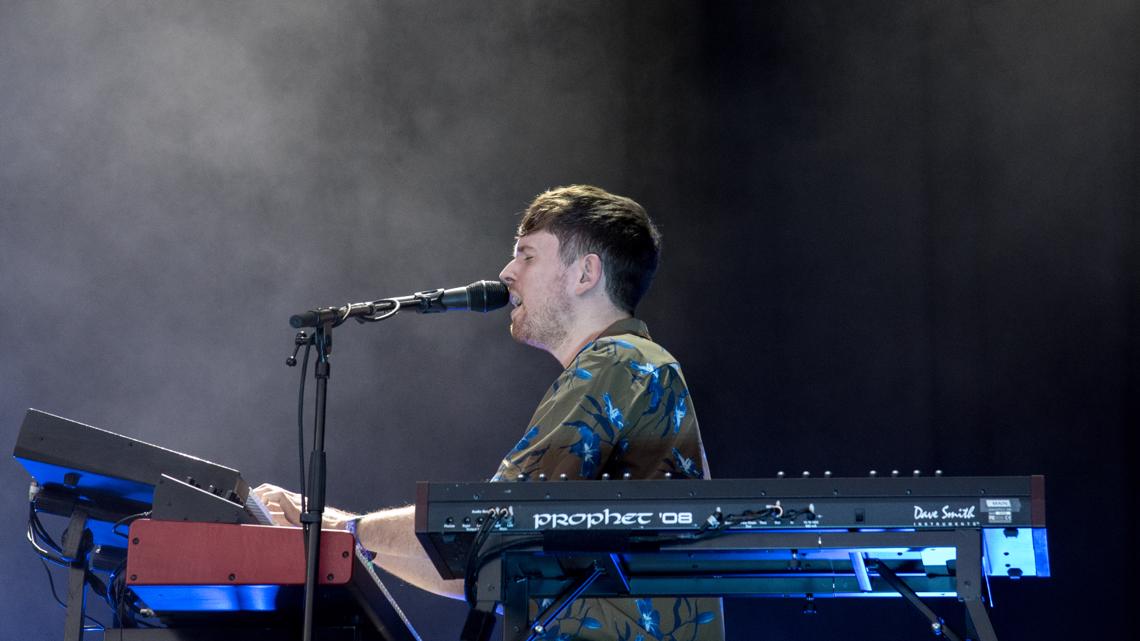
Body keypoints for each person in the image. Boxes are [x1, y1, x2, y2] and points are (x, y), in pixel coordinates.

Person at [255, 185, 723, 641]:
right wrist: (348, 537)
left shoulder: (619, 361)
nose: (506, 272)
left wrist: (340, 528)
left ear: (585, 274)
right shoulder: (628, 365)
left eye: (527, 255)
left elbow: (489, 524)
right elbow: (483, 569)